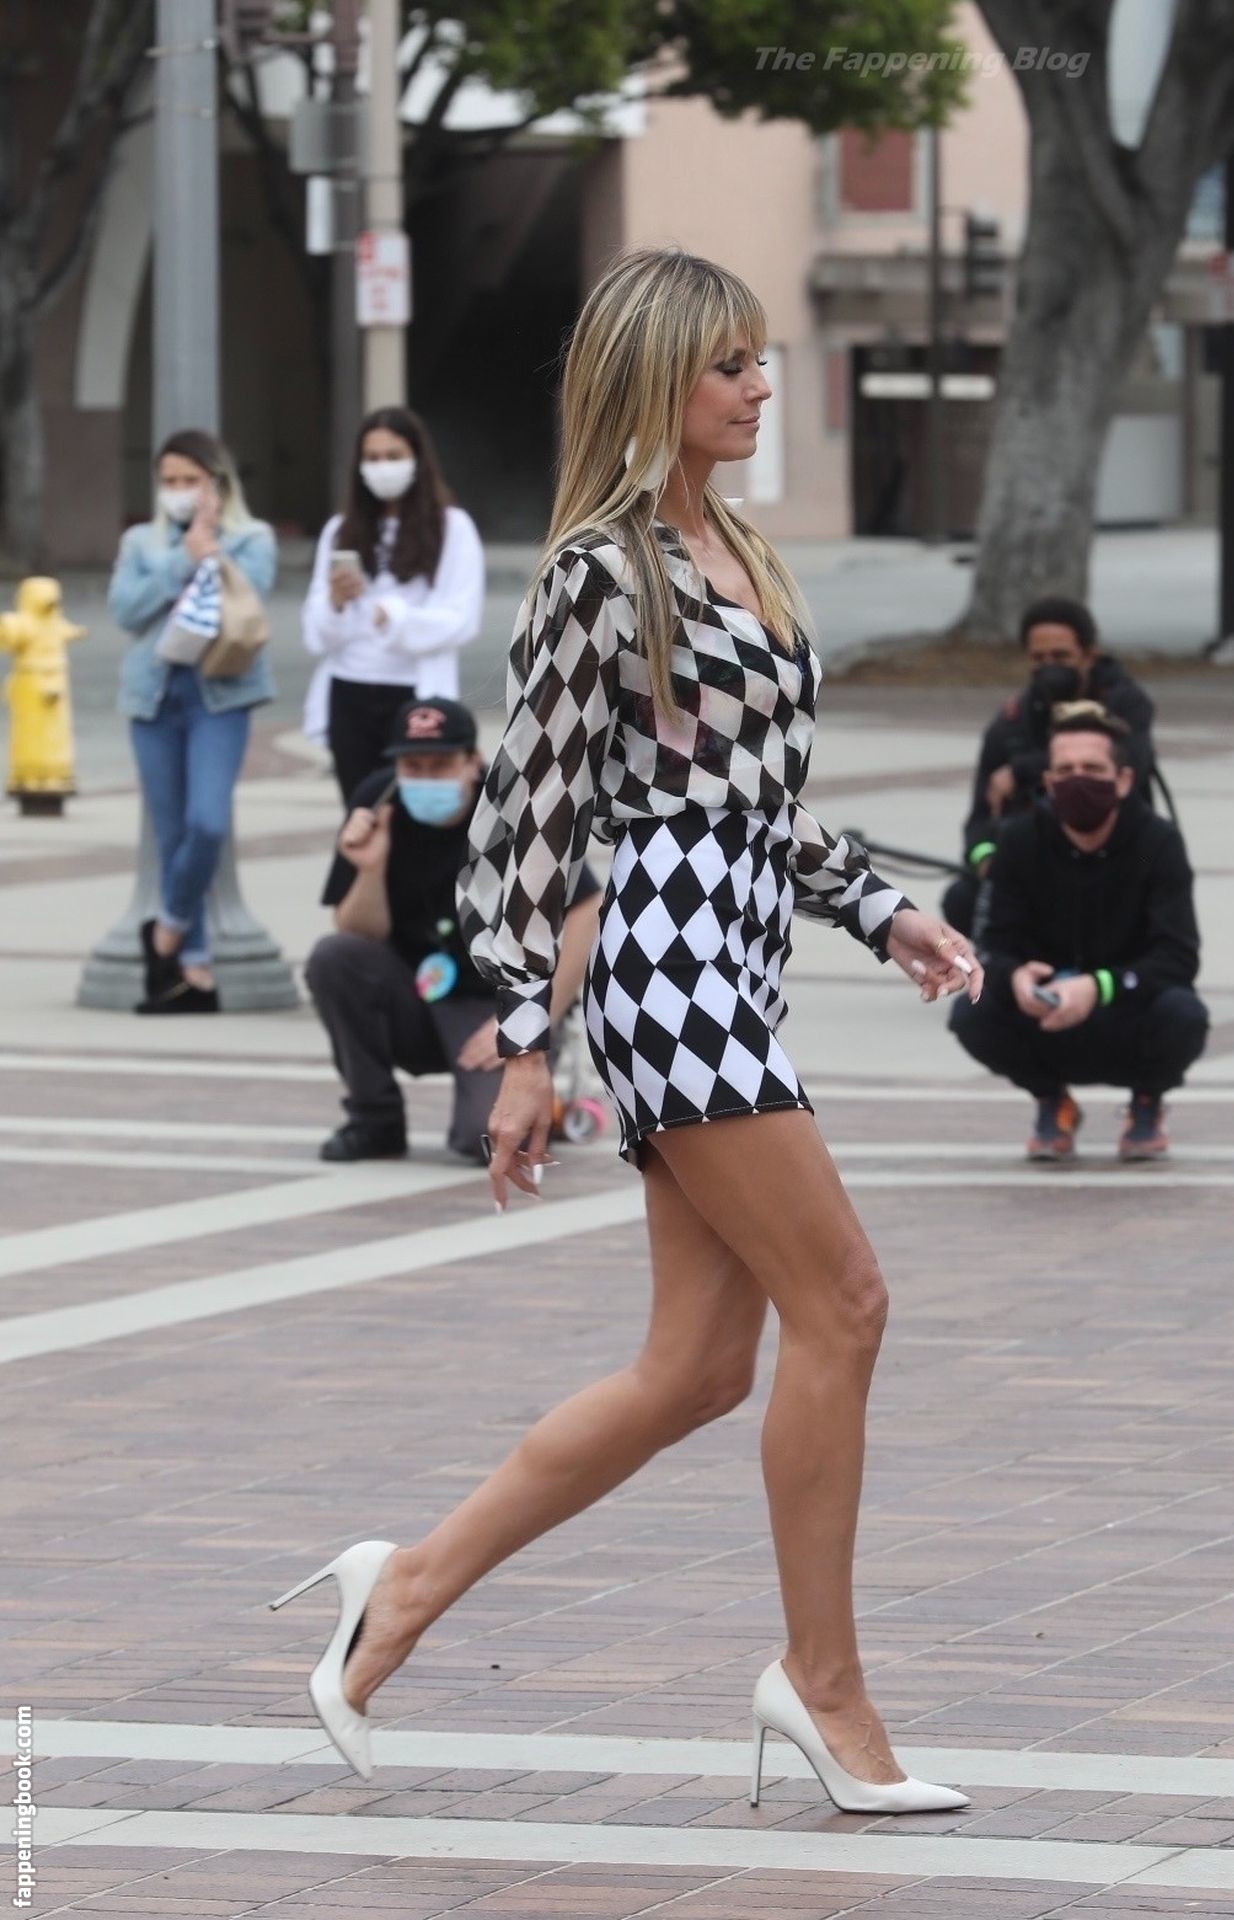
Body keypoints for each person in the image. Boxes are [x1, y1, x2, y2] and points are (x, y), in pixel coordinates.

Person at [268, 247, 981, 1815]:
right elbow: (527, 818)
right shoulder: (604, 570)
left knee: (698, 1369)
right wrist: (527, 1042)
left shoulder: (738, 549)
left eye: (760, 358)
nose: (760, 386)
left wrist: (883, 913)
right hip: (667, 973)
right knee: (846, 1302)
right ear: (655, 376)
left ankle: (403, 1586)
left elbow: (752, 803)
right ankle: (824, 1685)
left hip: (736, 958)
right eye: (730, 363)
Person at [306, 695, 602, 1165]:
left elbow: (585, 908)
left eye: (440, 764)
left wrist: (531, 1019)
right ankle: (374, 1120)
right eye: (413, 766)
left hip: (497, 999)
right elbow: (357, 929)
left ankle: (544, 1103)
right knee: (334, 956)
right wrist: (369, 868)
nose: (425, 778)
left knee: (485, 1140)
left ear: (472, 762)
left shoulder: (510, 809)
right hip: (416, 992)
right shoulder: (378, 800)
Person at [949, 704, 1208, 1161]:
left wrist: (1099, 986)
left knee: (1184, 1015)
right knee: (973, 1013)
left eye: (1093, 769)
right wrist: (1016, 978)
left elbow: (1178, 956)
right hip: (1045, 1012)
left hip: (1127, 1008)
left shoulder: (1155, 843)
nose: (1078, 780)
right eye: (1065, 771)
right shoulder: (1020, 841)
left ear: (1123, 780)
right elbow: (992, 944)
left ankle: (1147, 1102)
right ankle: (1052, 1101)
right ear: (1048, 782)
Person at [109, 428, 277, 1013]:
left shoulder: (252, 538)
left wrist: (212, 549)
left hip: (220, 696)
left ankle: (167, 931)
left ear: (216, 483)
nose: (179, 490)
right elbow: (125, 610)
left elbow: (251, 601)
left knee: (206, 823)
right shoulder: (141, 542)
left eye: (190, 479)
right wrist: (183, 558)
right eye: (169, 480)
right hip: (153, 697)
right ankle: (193, 970)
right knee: (171, 834)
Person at [942, 595, 1157, 937]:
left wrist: (1022, 771)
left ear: (1088, 655)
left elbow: (1132, 760)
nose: (1049, 666)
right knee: (962, 899)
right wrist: (985, 859)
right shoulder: (1010, 723)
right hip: (1032, 862)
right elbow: (979, 819)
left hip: (1119, 856)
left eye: (1061, 656)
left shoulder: (1126, 704)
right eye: (1038, 658)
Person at [301, 406, 484, 801]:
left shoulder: (452, 528)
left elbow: (461, 618)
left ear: (417, 459)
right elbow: (316, 631)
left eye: (393, 456)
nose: (382, 467)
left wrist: (395, 618)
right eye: (372, 458)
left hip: (414, 693)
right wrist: (335, 602)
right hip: (349, 689)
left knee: (412, 808)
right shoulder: (340, 530)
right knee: (360, 808)